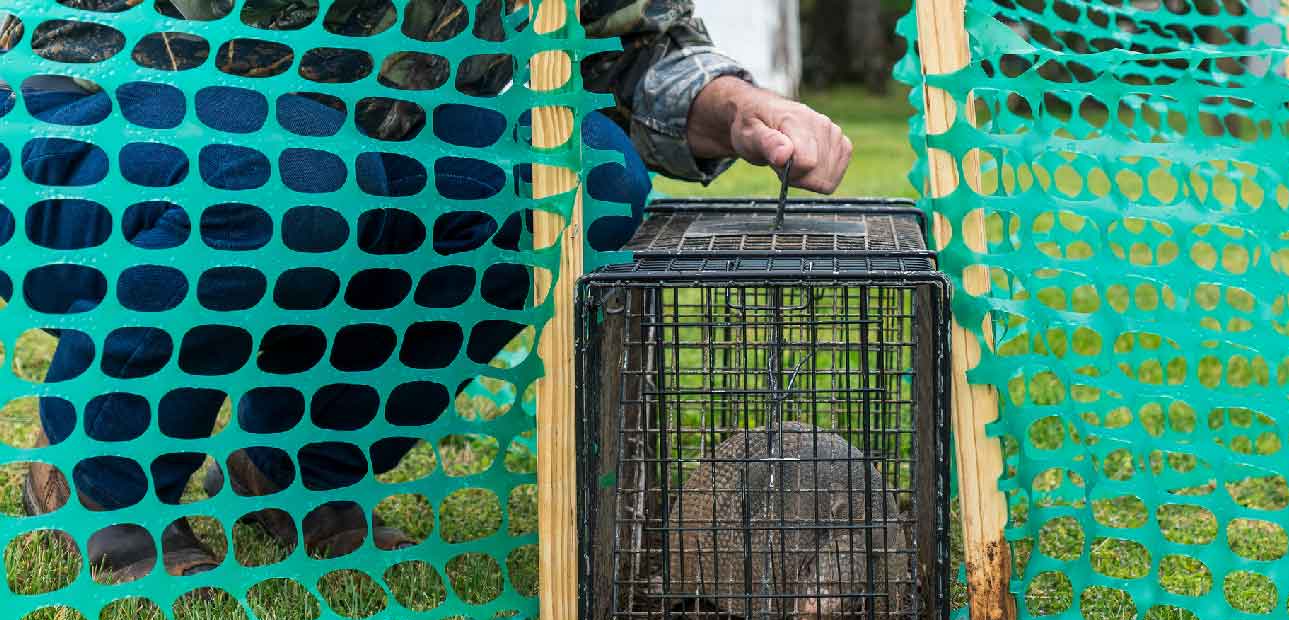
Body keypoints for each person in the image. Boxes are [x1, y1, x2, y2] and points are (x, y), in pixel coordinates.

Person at [20, 0, 854, 581]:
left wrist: (740, 105)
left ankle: (298, 468)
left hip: (353, 139)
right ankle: (100, 473)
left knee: (585, 176)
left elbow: (634, 48)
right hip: (83, 115)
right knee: (298, 175)